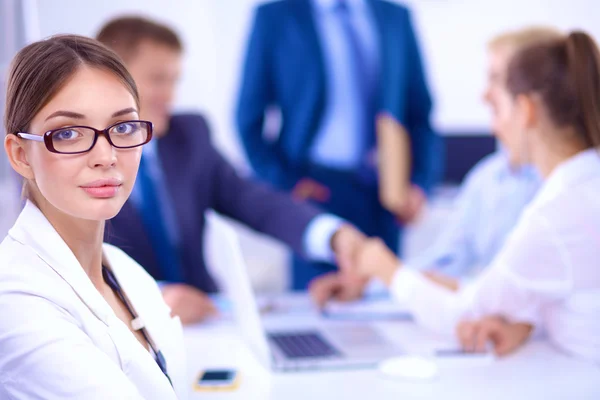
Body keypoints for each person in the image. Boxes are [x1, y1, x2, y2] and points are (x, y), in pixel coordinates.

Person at [349, 30, 600, 363]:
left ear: (525, 110)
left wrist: (386, 268)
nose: (495, 125)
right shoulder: (581, 187)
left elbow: (460, 313)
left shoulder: (555, 214)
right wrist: (525, 322)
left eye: (499, 103)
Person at [96, 16, 366, 325]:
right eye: (158, 79)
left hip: (206, 318)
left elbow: (255, 202)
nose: (169, 94)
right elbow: (75, 267)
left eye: (174, 80)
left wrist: (330, 235)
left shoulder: (188, 136)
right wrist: (153, 297)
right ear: (112, 79)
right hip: (123, 330)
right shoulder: (81, 159)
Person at [310, 27, 561, 304]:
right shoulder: (488, 178)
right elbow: (445, 260)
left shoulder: (562, 184)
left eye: (497, 79)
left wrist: (394, 273)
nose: (484, 95)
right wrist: (371, 285)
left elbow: (517, 292)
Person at [0, 35, 186, 399]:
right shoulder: (15, 302)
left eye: (123, 127)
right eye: (68, 133)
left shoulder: (125, 271)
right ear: (21, 155)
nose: (106, 155)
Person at [236, 0, 442, 290]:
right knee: (319, 306)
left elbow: (419, 112)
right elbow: (248, 120)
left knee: (386, 303)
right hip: (314, 193)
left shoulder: (395, 17)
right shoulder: (276, 17)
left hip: (386, 193)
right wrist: (285, 185)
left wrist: (420, 183)